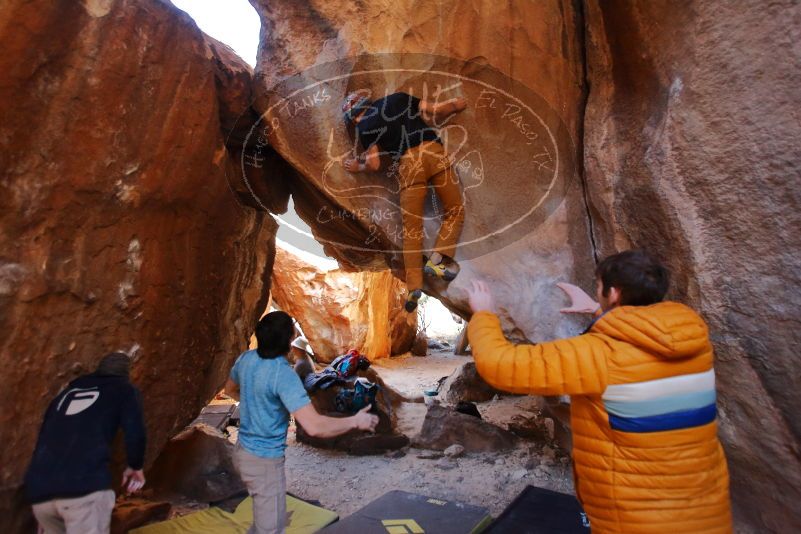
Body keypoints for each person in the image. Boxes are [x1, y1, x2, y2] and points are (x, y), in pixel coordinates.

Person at [465, 250, 732, 533]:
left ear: (614, 293)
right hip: (705, 507)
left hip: (637, 518)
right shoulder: (694, 340)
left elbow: (501, 366)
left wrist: (483, 314)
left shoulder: (602, 355)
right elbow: (638, 341)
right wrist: (598, 310)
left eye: (599, 287)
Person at [225, 311, 379, 534]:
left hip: (242, 453)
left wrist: (255, 403)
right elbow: (315, 426)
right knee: (271, 529)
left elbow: (229, 389)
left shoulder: (245, 359)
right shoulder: (283, 375)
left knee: (265, 518)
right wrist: (355, 421)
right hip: (264, 464)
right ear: (288, 341)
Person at [341, 91, 468, 312]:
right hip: (433, 152)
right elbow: (437, 110)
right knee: (455, 210)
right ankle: (437, 259)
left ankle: (414, 288)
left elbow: (374, 165)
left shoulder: (363, 129)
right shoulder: (397, 98)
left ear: (353, 117)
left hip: (408, 165)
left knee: (412, 231)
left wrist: (357, 167)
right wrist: (457, 105)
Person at [25, 352, 147, 534]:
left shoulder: (67, 393)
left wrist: (44, 498)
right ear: (125, 374)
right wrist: (135, 465)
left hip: (42, 495)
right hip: (83, 492)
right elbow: (135, 431)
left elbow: (45, 437)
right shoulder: (123, 390)